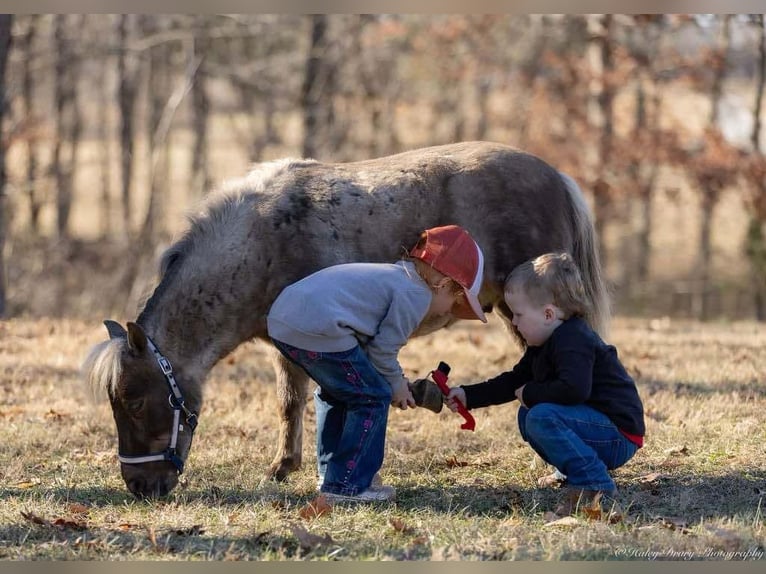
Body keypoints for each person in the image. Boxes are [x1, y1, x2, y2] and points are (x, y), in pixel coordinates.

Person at [267, 225, 487, 503]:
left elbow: (370, 355)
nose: (447, 311)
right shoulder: (417, 294)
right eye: (454, 302)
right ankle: (348, 486)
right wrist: (395, 387)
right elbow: (383, 352)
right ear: (443, 284)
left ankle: (332, 474)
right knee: (371, 398)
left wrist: (398, 382)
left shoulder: (394, 276)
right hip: (319, 328)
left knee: (339, 392)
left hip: (285, 321)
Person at [446, 252, 645, 518]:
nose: (513, 323)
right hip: (595, 426)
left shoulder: (574, 340)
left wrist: (530, 392)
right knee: (528, 414)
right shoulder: (544, 343)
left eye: (517, 315)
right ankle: (573, 468)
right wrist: (468, 396)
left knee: (540, 414)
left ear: (548, 314)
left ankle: (593, 481)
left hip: (618, 434)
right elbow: (514, 380)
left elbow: (574, 389)